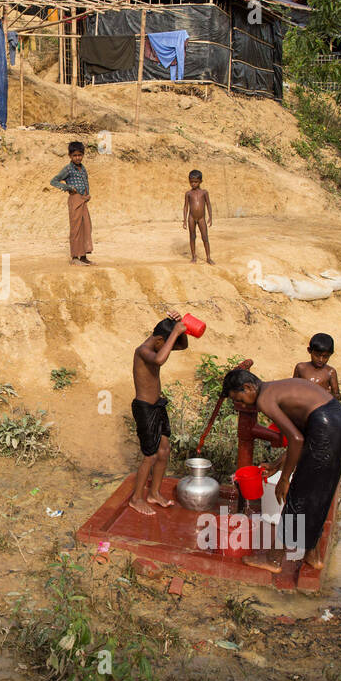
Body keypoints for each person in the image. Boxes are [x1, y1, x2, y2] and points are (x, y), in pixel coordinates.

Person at [220, 369, 341, 573]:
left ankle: (273, 560)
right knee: (319, 492)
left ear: (248, 387)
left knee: (298, 495)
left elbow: (297, 440)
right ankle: (312, 554)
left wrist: (283, 479)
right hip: (340, 422)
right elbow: (303, 437)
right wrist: (276, 465)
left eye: (241, 399)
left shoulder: (265, 399)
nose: (245, 405)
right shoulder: (276, 388)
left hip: (325, 425)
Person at [129, 311, 189, 515]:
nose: (168, 348)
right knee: (150, 454)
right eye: (165, 343)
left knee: (164, 451)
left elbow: (182, 345)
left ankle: (154, 493)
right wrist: (176, 333)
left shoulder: (159, 345)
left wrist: (180, 326)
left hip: (158, 406)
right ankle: (136, 499)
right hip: (145, 409)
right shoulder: (143, 350)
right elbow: (160, 360)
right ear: (160, 340)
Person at [50, 141, 93, 265]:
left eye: (80, 155)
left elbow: (86, 182)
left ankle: (83, 256)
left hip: (84, 200)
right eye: (75, 155)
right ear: (70, 156)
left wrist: (87, 194)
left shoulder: (82, 168)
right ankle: (75, 257)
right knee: (76, 228)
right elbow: (54, 181)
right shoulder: (68, 169)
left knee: (86, 227)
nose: (77, 157)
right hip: (75, 200)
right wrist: (68, 188)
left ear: (83, 155)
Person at [293, 333, 341, 400]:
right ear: (309, 350)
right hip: (303, 404)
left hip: (321, 407)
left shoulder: (330, 372)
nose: (321, 360)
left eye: (325, 357)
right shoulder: (301, 368)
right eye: (317, 355)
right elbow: (293, 388)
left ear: (331, 354)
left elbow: (337, 396)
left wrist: (325, 394)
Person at [183, 169, 214, 264]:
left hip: (201, 218)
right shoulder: (188, 193)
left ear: (200, 181)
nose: (193, 184)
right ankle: (193, 257)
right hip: (191, 218)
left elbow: (208, 204)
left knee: (205, 237)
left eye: (196, 182)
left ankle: (208, 257)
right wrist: (184, 220)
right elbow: (185, 207)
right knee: (192, 237)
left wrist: (210, 217)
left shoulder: (204, 192)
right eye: (191, 182)